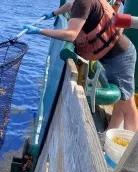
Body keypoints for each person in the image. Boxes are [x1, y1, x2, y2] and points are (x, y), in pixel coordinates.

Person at [23, 0, 138, 133]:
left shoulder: (83, 2)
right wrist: (52, 13)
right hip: (113, 55)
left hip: (120, 57)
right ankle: (110, 133)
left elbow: (71, 34)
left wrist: (39, 31)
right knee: (122, 100)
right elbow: (69, 5)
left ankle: (127, 148)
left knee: (128, 105)